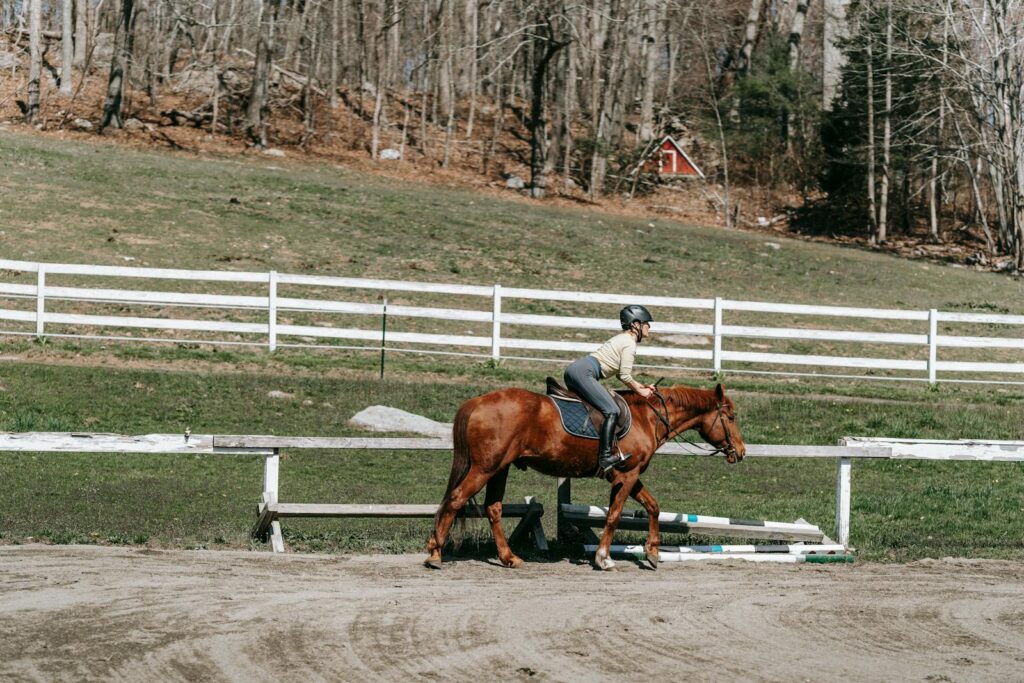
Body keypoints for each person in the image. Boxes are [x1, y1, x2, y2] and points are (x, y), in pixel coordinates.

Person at [563, 304, 657, 474]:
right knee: (612, 410)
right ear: (636, 324)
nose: (649, 327)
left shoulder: (622, 338)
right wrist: (641, 392)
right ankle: (605, 456)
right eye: (646, 323)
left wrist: (641, 386)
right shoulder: (629, 343)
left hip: (576, 370)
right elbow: (626, 376)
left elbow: (621, 376)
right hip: (585, 373)